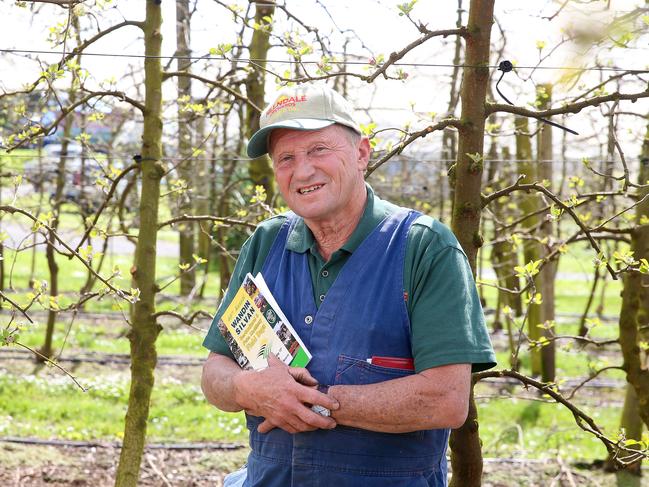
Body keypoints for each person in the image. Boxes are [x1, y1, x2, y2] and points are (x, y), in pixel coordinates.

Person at [201, 84, 496, 487]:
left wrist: (314, 402)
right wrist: (247, 388)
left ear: (361, 153)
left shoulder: (424, 248)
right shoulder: (266, 244)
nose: (302, 170)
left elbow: (445, 399)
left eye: (319, 149)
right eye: (286, 157)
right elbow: (215, 371)